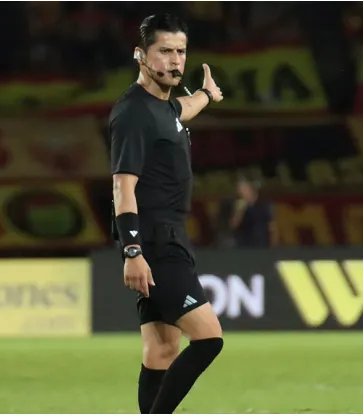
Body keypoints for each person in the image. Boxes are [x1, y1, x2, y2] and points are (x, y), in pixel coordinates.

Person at [109, 13, 224, 414]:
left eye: (181, 52)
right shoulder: (133, 113)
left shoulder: (163, 108)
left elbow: (181, 110)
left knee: (161, 349)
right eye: (165, 52)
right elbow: (122, 187)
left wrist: (207, 96)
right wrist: (133, 251)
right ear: (141, 55)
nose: (175, 61)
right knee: (209, 338)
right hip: (155, 241)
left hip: (168, 235)